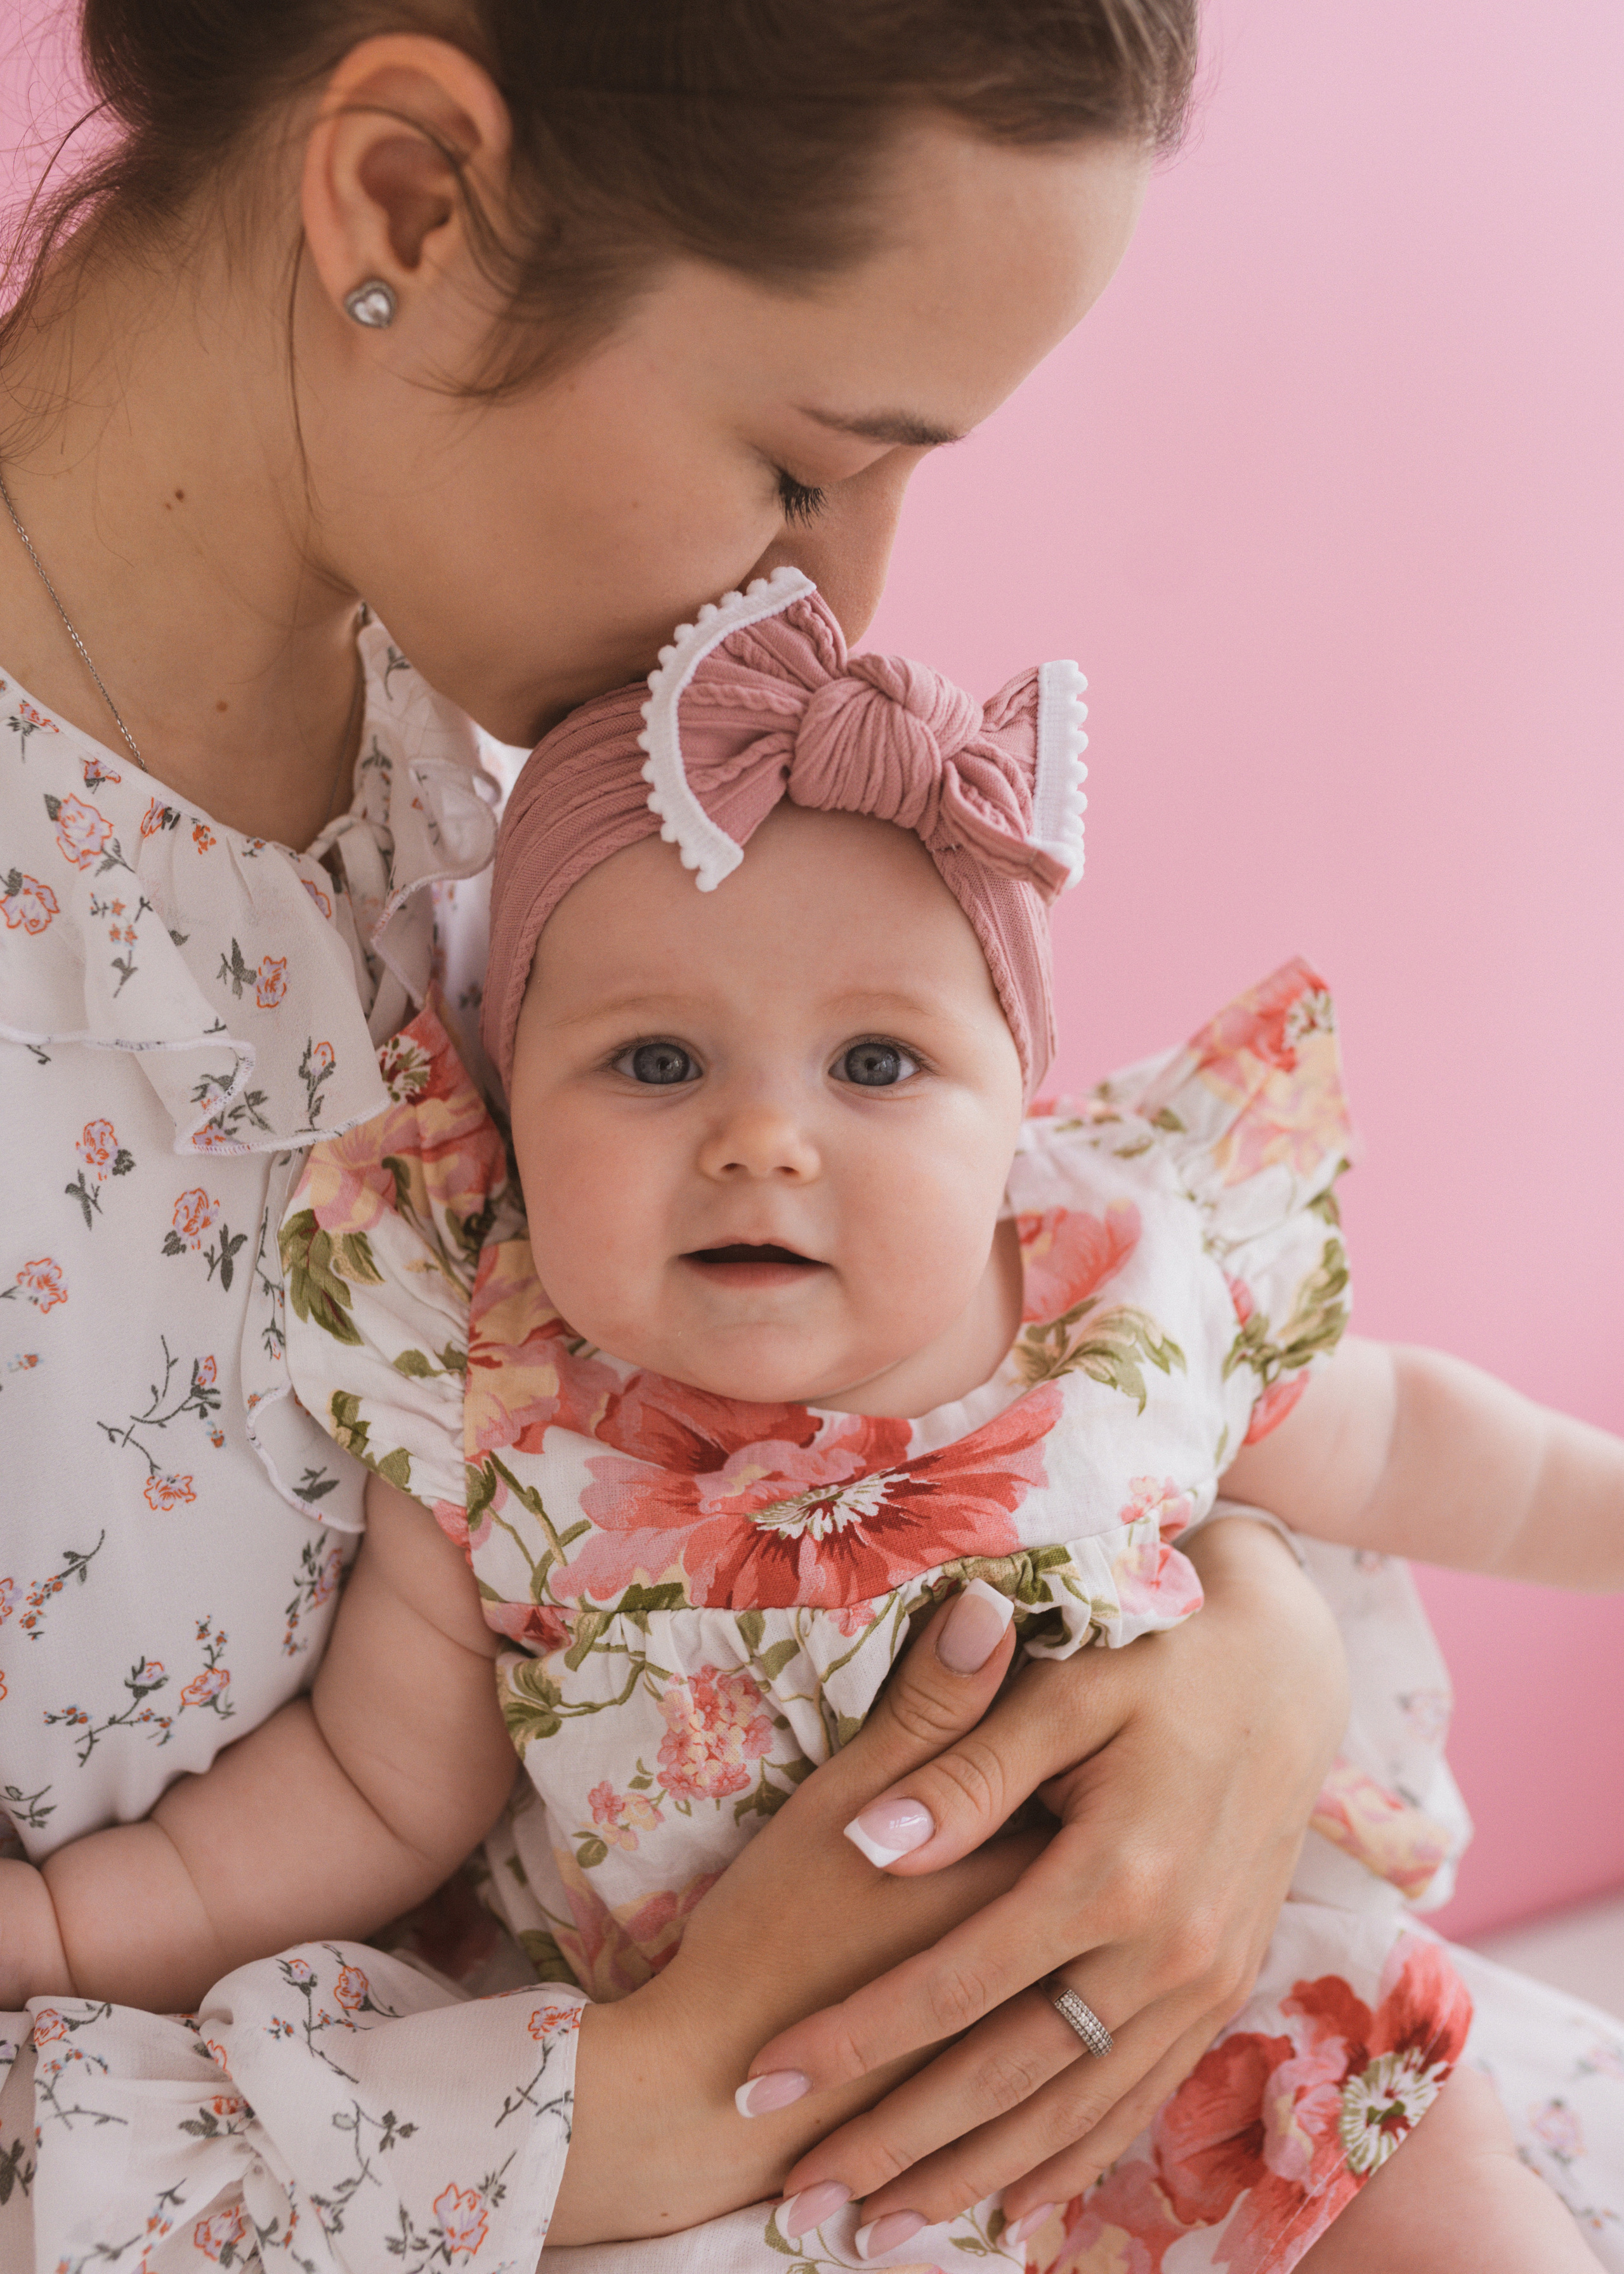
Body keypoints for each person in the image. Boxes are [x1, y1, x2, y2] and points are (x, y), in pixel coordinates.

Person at [0, 6, 1616, 2271]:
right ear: (401, 205)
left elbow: (1072, 1339)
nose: (829, 609)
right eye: (801, 464)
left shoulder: (508, 780)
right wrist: (652, 2105)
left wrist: (1236, 1659)